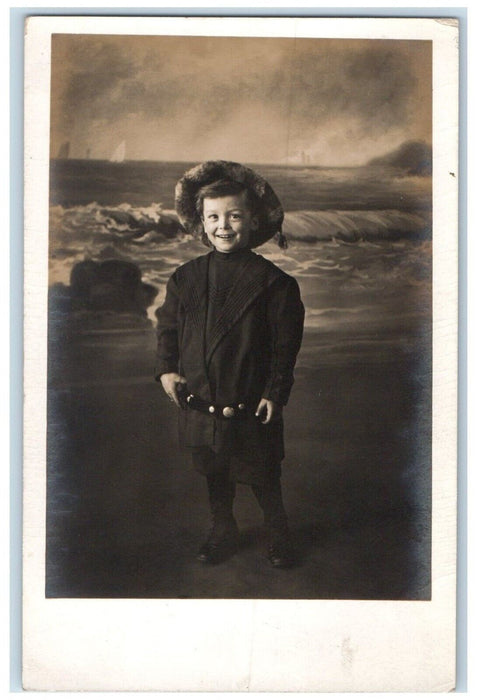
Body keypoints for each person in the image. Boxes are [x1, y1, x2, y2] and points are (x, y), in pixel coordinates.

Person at [155, 160, 304, 568]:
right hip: (202, 398)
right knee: (215, 470)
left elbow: (284, 346)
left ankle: (279, 531)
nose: (223, 225)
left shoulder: (276, 284)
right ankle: (223, 528)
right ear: (200, 223)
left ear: (253, 220)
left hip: (249, 400)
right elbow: (167, 326)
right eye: (213, 217)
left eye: (234, 215)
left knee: (262, 474)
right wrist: (167, 368)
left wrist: (276, 392)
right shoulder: (185, 277)